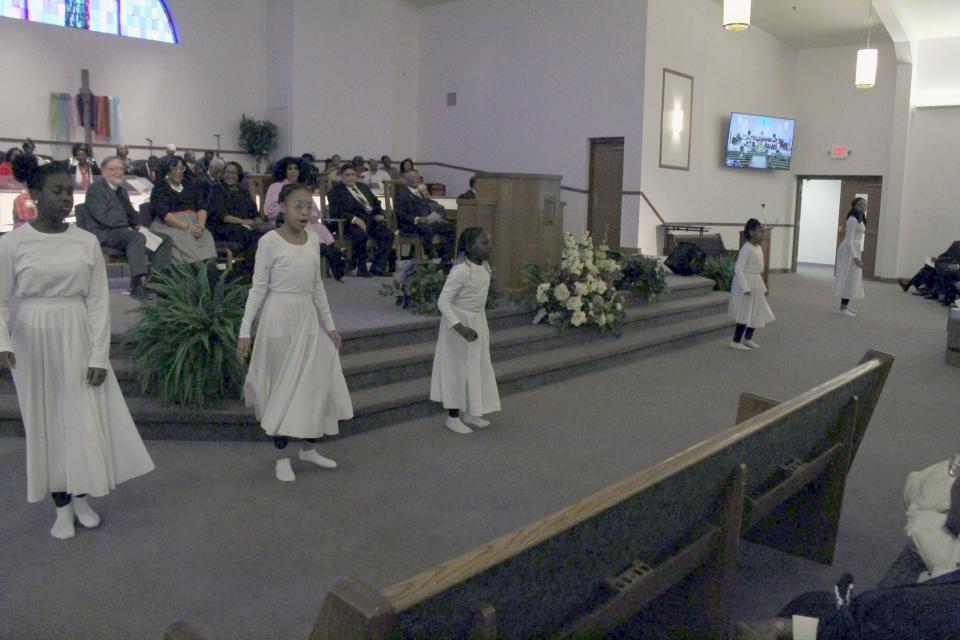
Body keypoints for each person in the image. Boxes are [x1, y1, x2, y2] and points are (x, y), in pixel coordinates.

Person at [0, 157, 154, 539]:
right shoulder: (13, 243)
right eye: (57, 191)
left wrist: (99, 356)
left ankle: (81, 496)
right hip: (31, 338)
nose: (66, 198)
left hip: (77, 332)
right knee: (46, 423)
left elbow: (99, 303)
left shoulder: (85, 242)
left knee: (82, 421)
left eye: (70, 191)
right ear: (34, 195)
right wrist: (2, 344)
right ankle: (61, 506)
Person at [236, 183, 353, 482]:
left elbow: (317, 287)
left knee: (311, 384)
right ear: (283, 207)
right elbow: (258, 289)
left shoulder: (313, 240)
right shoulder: (269, 242)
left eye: (309, 206)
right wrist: (244, 332)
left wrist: (330, 326)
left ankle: (307, 448)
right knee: (281, 388)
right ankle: (281, 458)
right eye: (298, 205)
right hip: (278, 318)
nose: (305, 212)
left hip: (306, 318)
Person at [430, 227, 500, 434]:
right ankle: (453, 417)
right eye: (484, 243)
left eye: (489, 242)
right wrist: (460, 327)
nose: (489, 247)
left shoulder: (485, 267)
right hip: (458, 326)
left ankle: (472, 412)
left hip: (477, 322)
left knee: (476, 367)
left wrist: (478, 321)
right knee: (456, 371)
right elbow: (443, 302)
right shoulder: (460, 270)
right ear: (470, 247)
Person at [84, 156, 173, 299]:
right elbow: (102, 216)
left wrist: (139, 225)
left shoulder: (122, 191)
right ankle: (137, 285)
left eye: (121, 169)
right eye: (114, 169)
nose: (119, 172)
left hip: (126, 233)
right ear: (103, 171)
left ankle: (158, 282)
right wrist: (129, 228)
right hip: (106, 233)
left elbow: (132, 215)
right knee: (136, 237)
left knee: (164, 239)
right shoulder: (95, 190)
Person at [262, 156, 343, 279]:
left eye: (296, 169)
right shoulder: (276, 187)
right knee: (310, 232)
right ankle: (325, 255)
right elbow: (269, 211)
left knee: (319, 228)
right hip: (283, 222)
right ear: (284, 171)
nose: (293, 171)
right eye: (290, 169)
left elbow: (315, 210)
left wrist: (312, 216)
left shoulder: (303, 188)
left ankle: (333, 260)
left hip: (305, 221)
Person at [148, 155, 217, 266]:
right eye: (174, 168)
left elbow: (202, 207)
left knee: (207, 239)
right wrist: (188, 227)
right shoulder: (159, 189)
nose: (178, 171)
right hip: (171, 225)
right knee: (194, 258)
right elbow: (165, 215)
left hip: (195, 223)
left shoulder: (192, 186)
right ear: (167, 170)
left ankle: (209, 277)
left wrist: (201, 225)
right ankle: (192, 276)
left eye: (181, 168)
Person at [327, 165, 394, 277]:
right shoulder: (335, 191)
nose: (350, 177)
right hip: (349, 223)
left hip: (370, 220)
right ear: (342, 177)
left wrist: (379, 213)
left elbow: (375, 202)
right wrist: (354, 219)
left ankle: (377, 267)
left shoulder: (363, 187)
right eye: (347, 175)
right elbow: (336, 211)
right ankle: (361, 268)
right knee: (361, 235)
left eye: (353, 175)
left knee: (388, 234)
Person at [205, 162, 266, 274]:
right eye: (227, 172)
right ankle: (247, 273)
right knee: (252, 237)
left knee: (264, 236)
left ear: (239, 176)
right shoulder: (217, 190)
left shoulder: (243, 191)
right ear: (223, 174)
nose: (230, 175)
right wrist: (243, 221)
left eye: (234, 173)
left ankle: (261, 272)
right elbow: (222, 216)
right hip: (223, 228)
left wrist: (258, 221)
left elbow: (253, 211)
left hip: (243, 227)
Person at [729, 218, 775, 350]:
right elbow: (738, 268)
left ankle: (747, 338)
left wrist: (762, 286)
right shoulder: (746, 249)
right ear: (751, 232)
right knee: (745, 312)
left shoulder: (759, 248)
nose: (762, 234)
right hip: (747, 284)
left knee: (755, 312)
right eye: (760, 231)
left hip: (756, 282)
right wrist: (745, 287)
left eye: (762, 231)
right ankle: (736, 341)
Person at [394, 170, 456, 264]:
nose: (416, 180)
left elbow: (427, 207)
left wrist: (435, 218)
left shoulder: (418, 192)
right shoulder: (401, 193)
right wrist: (417, 219)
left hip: (427, 220)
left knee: (451, 228)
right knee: (427, 228)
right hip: (410, 224)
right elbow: (400, 213)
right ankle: (429, 256)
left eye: (417, 177)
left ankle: (446, 258)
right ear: (407, 180)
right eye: (413, 178)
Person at [834, 197, 866, 317]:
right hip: (849, 251)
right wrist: (855, 256)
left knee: (853, 278)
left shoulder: (860, 219)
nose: (863, 207)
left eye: (865, 205)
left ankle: (846, 305)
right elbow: (849, 240)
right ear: (854, 206)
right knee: (848, 277)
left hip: (855, 249)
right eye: (860, 204)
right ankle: (842, 307)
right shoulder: (852, 219)